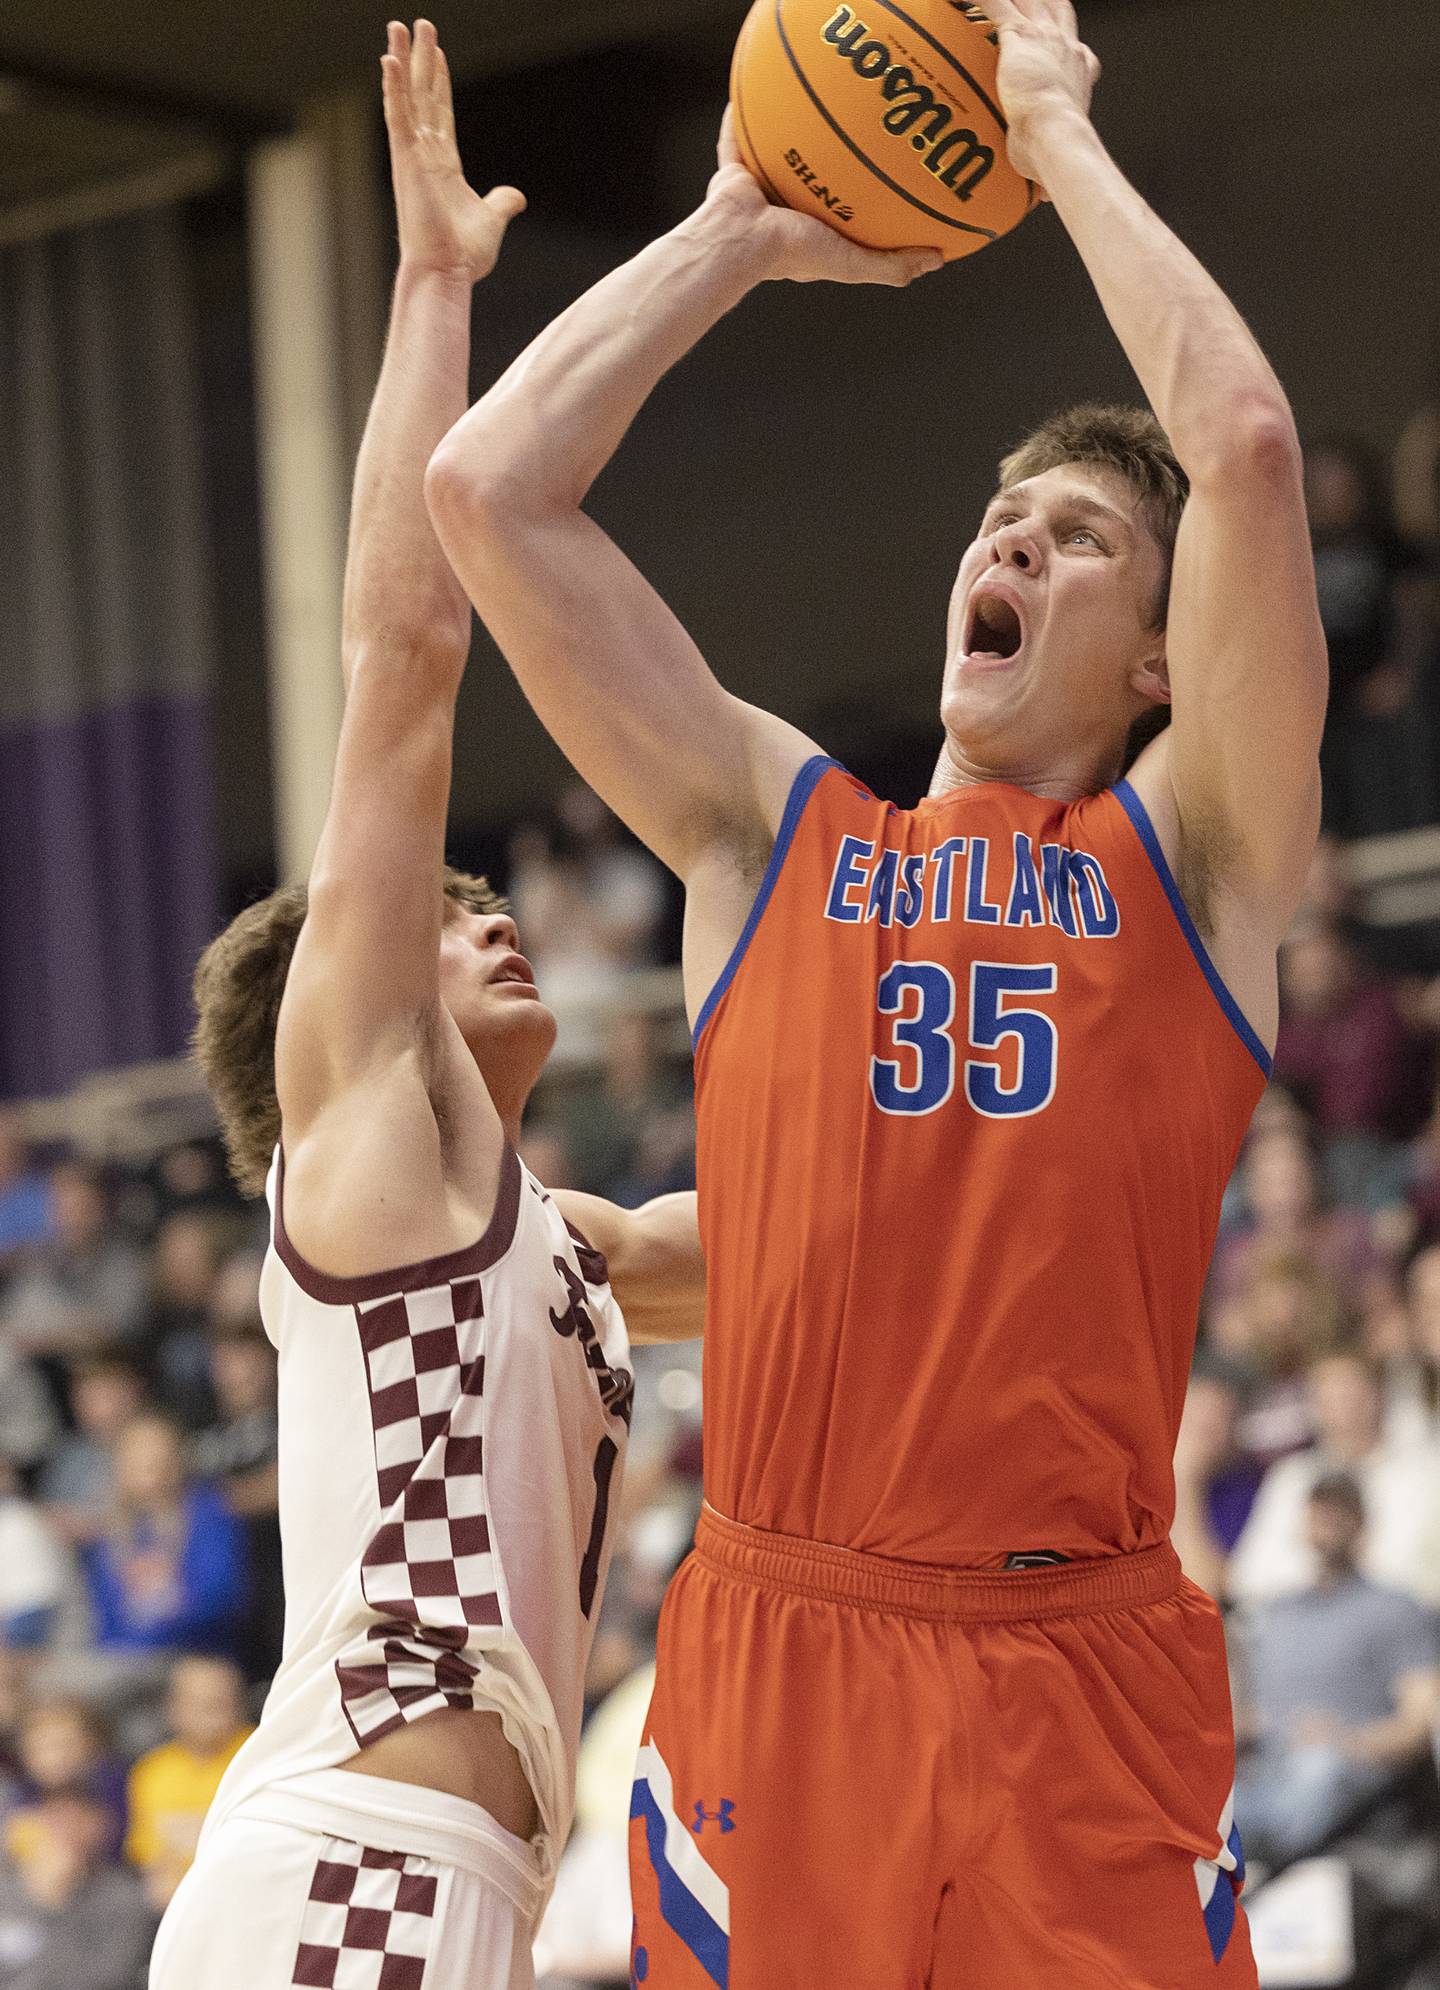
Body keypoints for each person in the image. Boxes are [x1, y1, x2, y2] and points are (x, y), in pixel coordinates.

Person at [425, 1, 1327, 1982]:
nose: (1013, 534)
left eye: (1081, 540)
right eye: (1004, 517)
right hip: (785, 1651)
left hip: (1078, 1670)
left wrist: (1056, 136)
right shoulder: (775, 831)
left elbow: (1247, 447)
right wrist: (741, 221)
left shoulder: (1195, 866)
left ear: (1162, 664)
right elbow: (489, 490)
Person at [148, 25, 702, 1990]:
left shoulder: (563, 1245)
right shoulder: (369, 1141)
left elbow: (811, 1253)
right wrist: (435, 286)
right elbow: (403, 654)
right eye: (447, 914)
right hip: (349, 1873)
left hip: (458, 1893)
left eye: (484, 907)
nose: (487, 924)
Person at [1232, 1473, 1440, 1865]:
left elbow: (1417, 1727)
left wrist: (1343, 1741)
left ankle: (1268, 1866)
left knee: (1318, 1768)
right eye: (1320, 1510)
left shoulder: (1395, 1609)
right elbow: (1247, 1716)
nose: (1328, 1522)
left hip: (1351, 1782)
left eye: (1340, 1511)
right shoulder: (1278, 1615)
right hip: (1268, 1775)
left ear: (1362, 1523)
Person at [1226, 1351, 1440, 1609]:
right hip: (1300, 1626)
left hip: (1393, 1628)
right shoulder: (1291, 1477)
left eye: (1351, 1395)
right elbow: (1249, 1578)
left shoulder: (1420, 1476)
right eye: (1329, 1397)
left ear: (1377, 1396)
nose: (1343, 1408)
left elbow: (1413, 1576)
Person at [126, 1655, 253, 1909]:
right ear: (173, 1707)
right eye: (197, 1703)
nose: (209, 1714)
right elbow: (146, 1852)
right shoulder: (151, 1770)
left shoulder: (258, 1757)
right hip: (174, 1900)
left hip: (243, 1889)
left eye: (219, 1702)